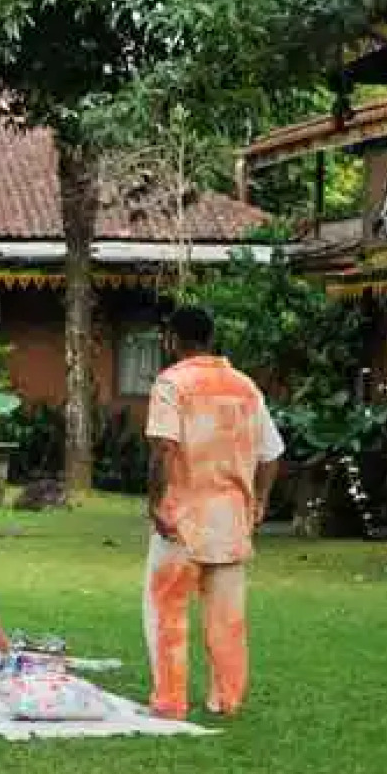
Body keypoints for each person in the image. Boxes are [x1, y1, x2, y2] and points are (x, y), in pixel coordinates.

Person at [144, 305, 283, 720]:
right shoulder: (245, 387)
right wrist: (259, 500)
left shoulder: (171, 383)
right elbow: (272, 454)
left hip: (181, 519)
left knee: (166, 611)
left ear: (173, 339)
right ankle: (226, 700)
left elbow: (164, 449)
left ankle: (170, 701)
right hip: (232, 521)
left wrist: (155, 502)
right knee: (228, 621)